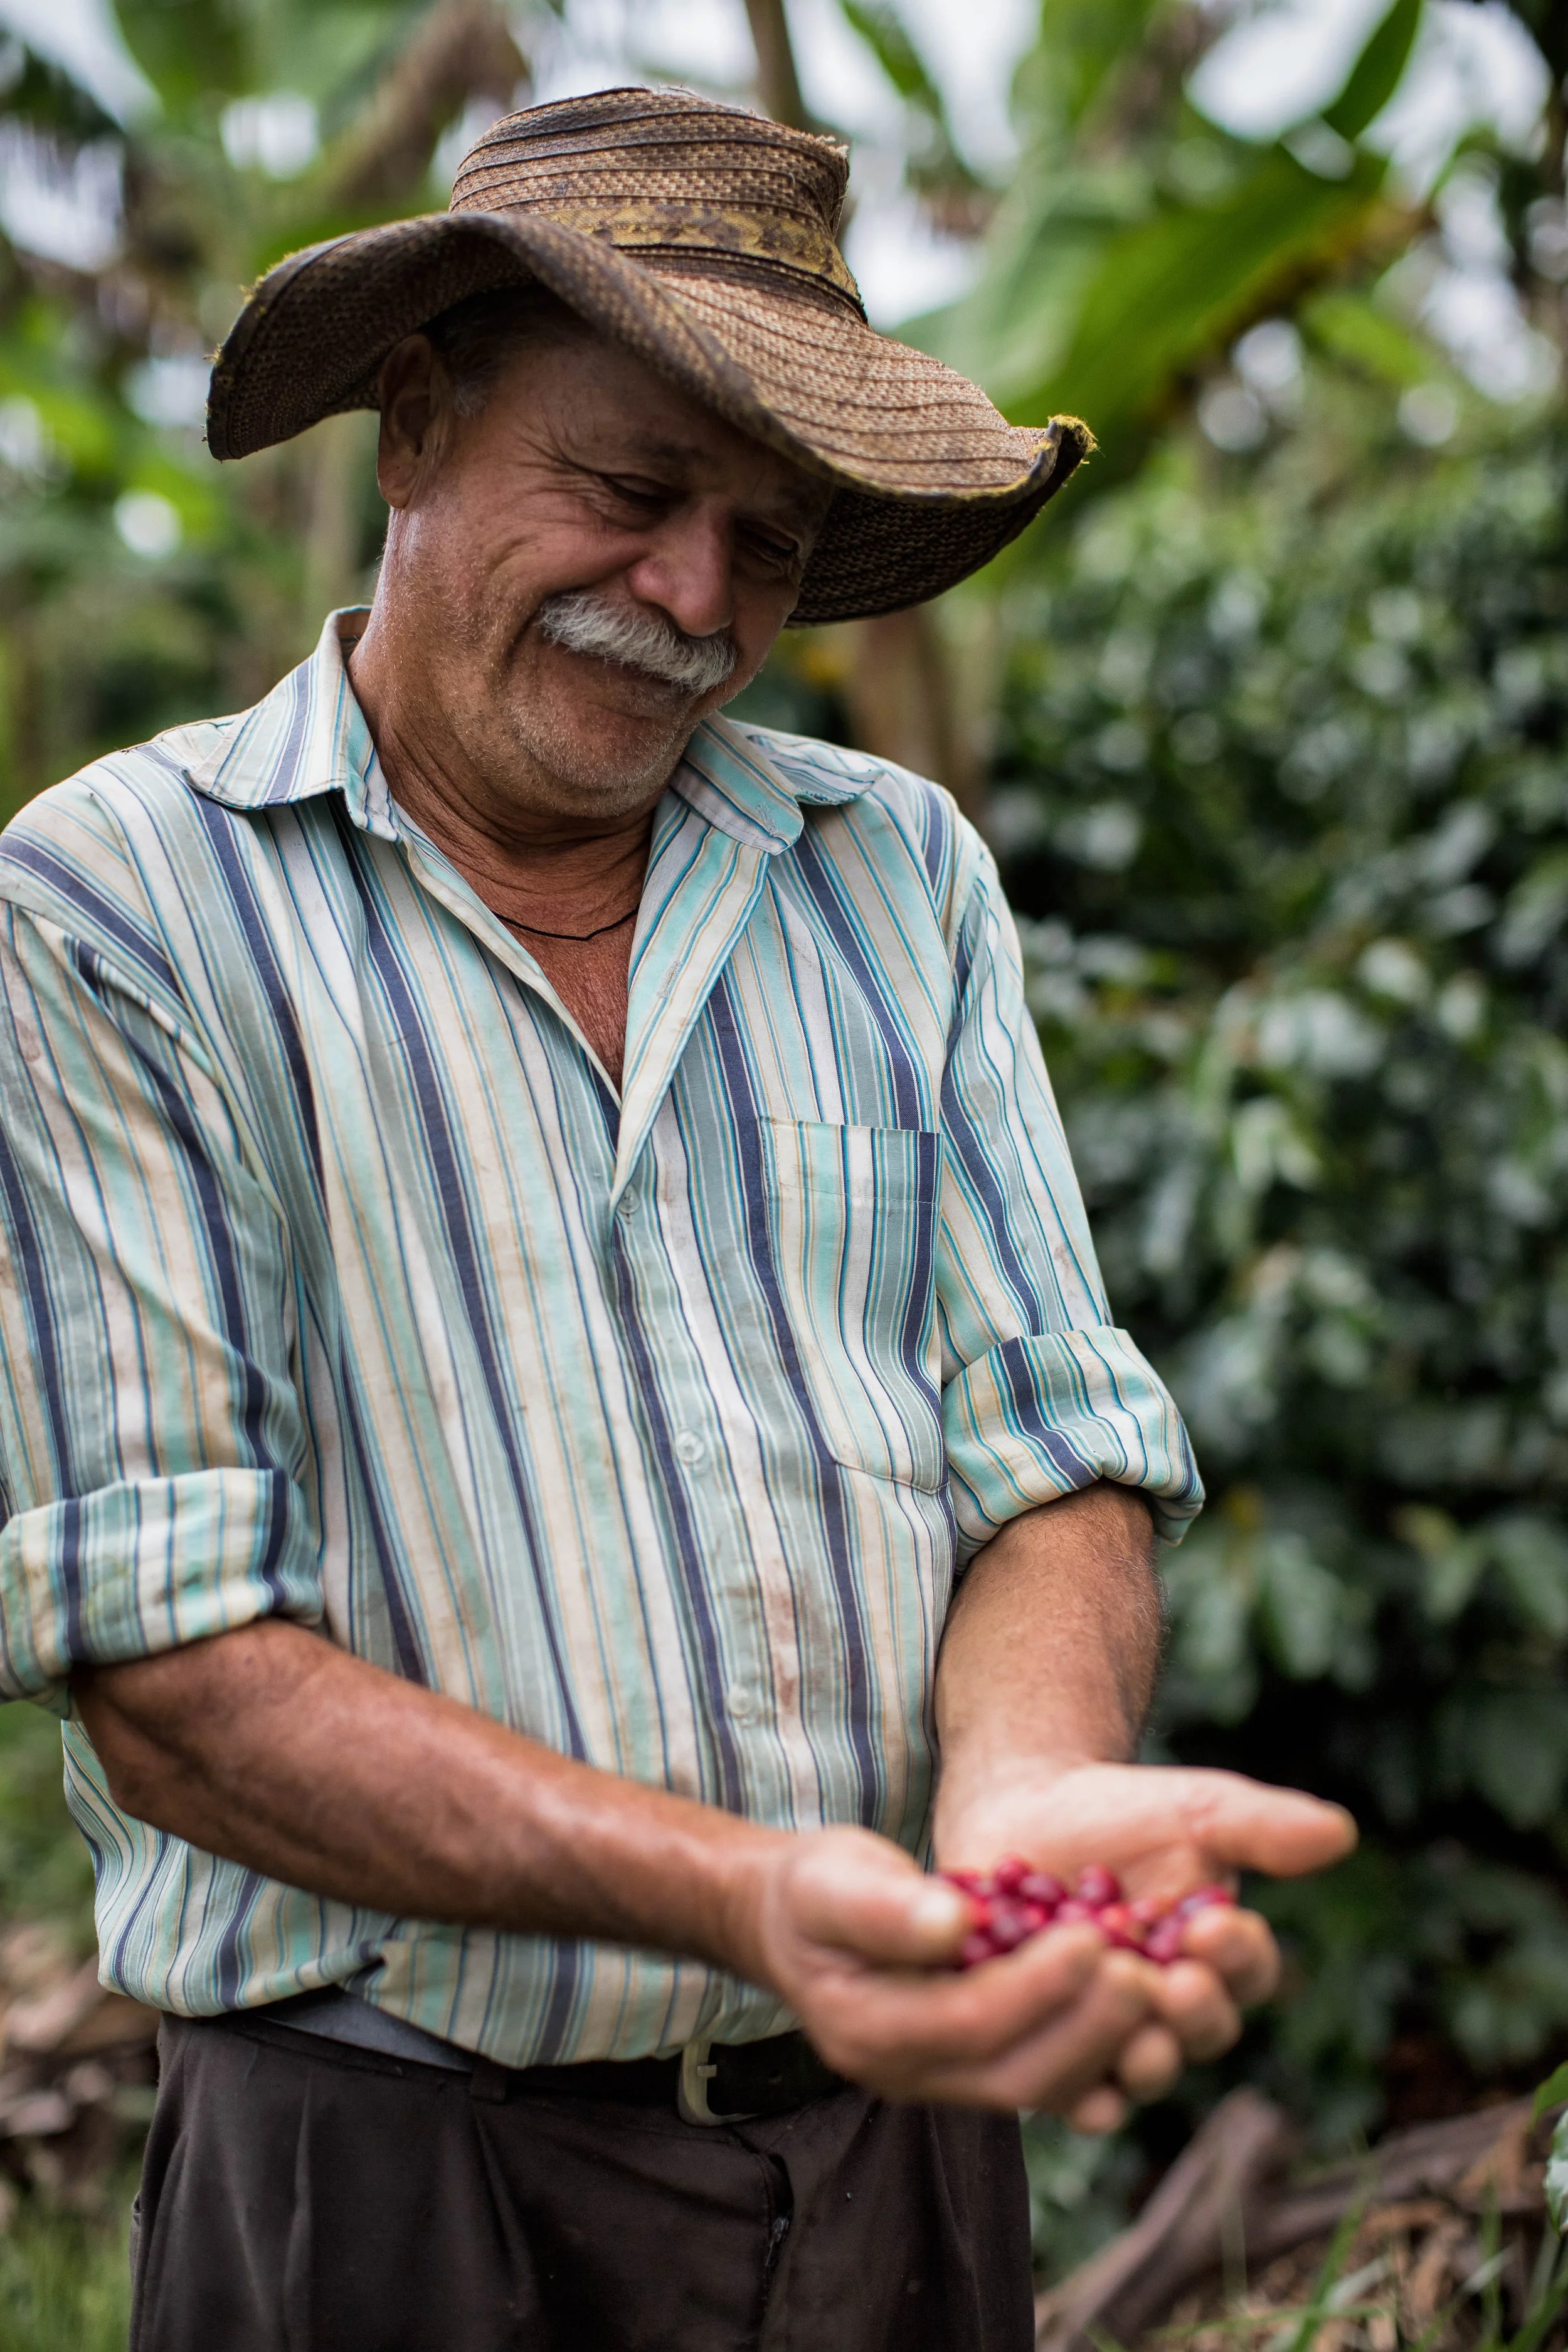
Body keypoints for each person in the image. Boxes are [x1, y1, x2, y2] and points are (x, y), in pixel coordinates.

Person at [0, 87, 1352, 2352]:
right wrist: (756, 1898)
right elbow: (174, 1672)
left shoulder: (888, 873)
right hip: (389, 2175)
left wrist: (1019, 1807)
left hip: (886, 2149)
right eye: (627, 493)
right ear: (413, 422)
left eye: (770, 535)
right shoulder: (117, 911)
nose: (698, 602)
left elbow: (1043, 1439)